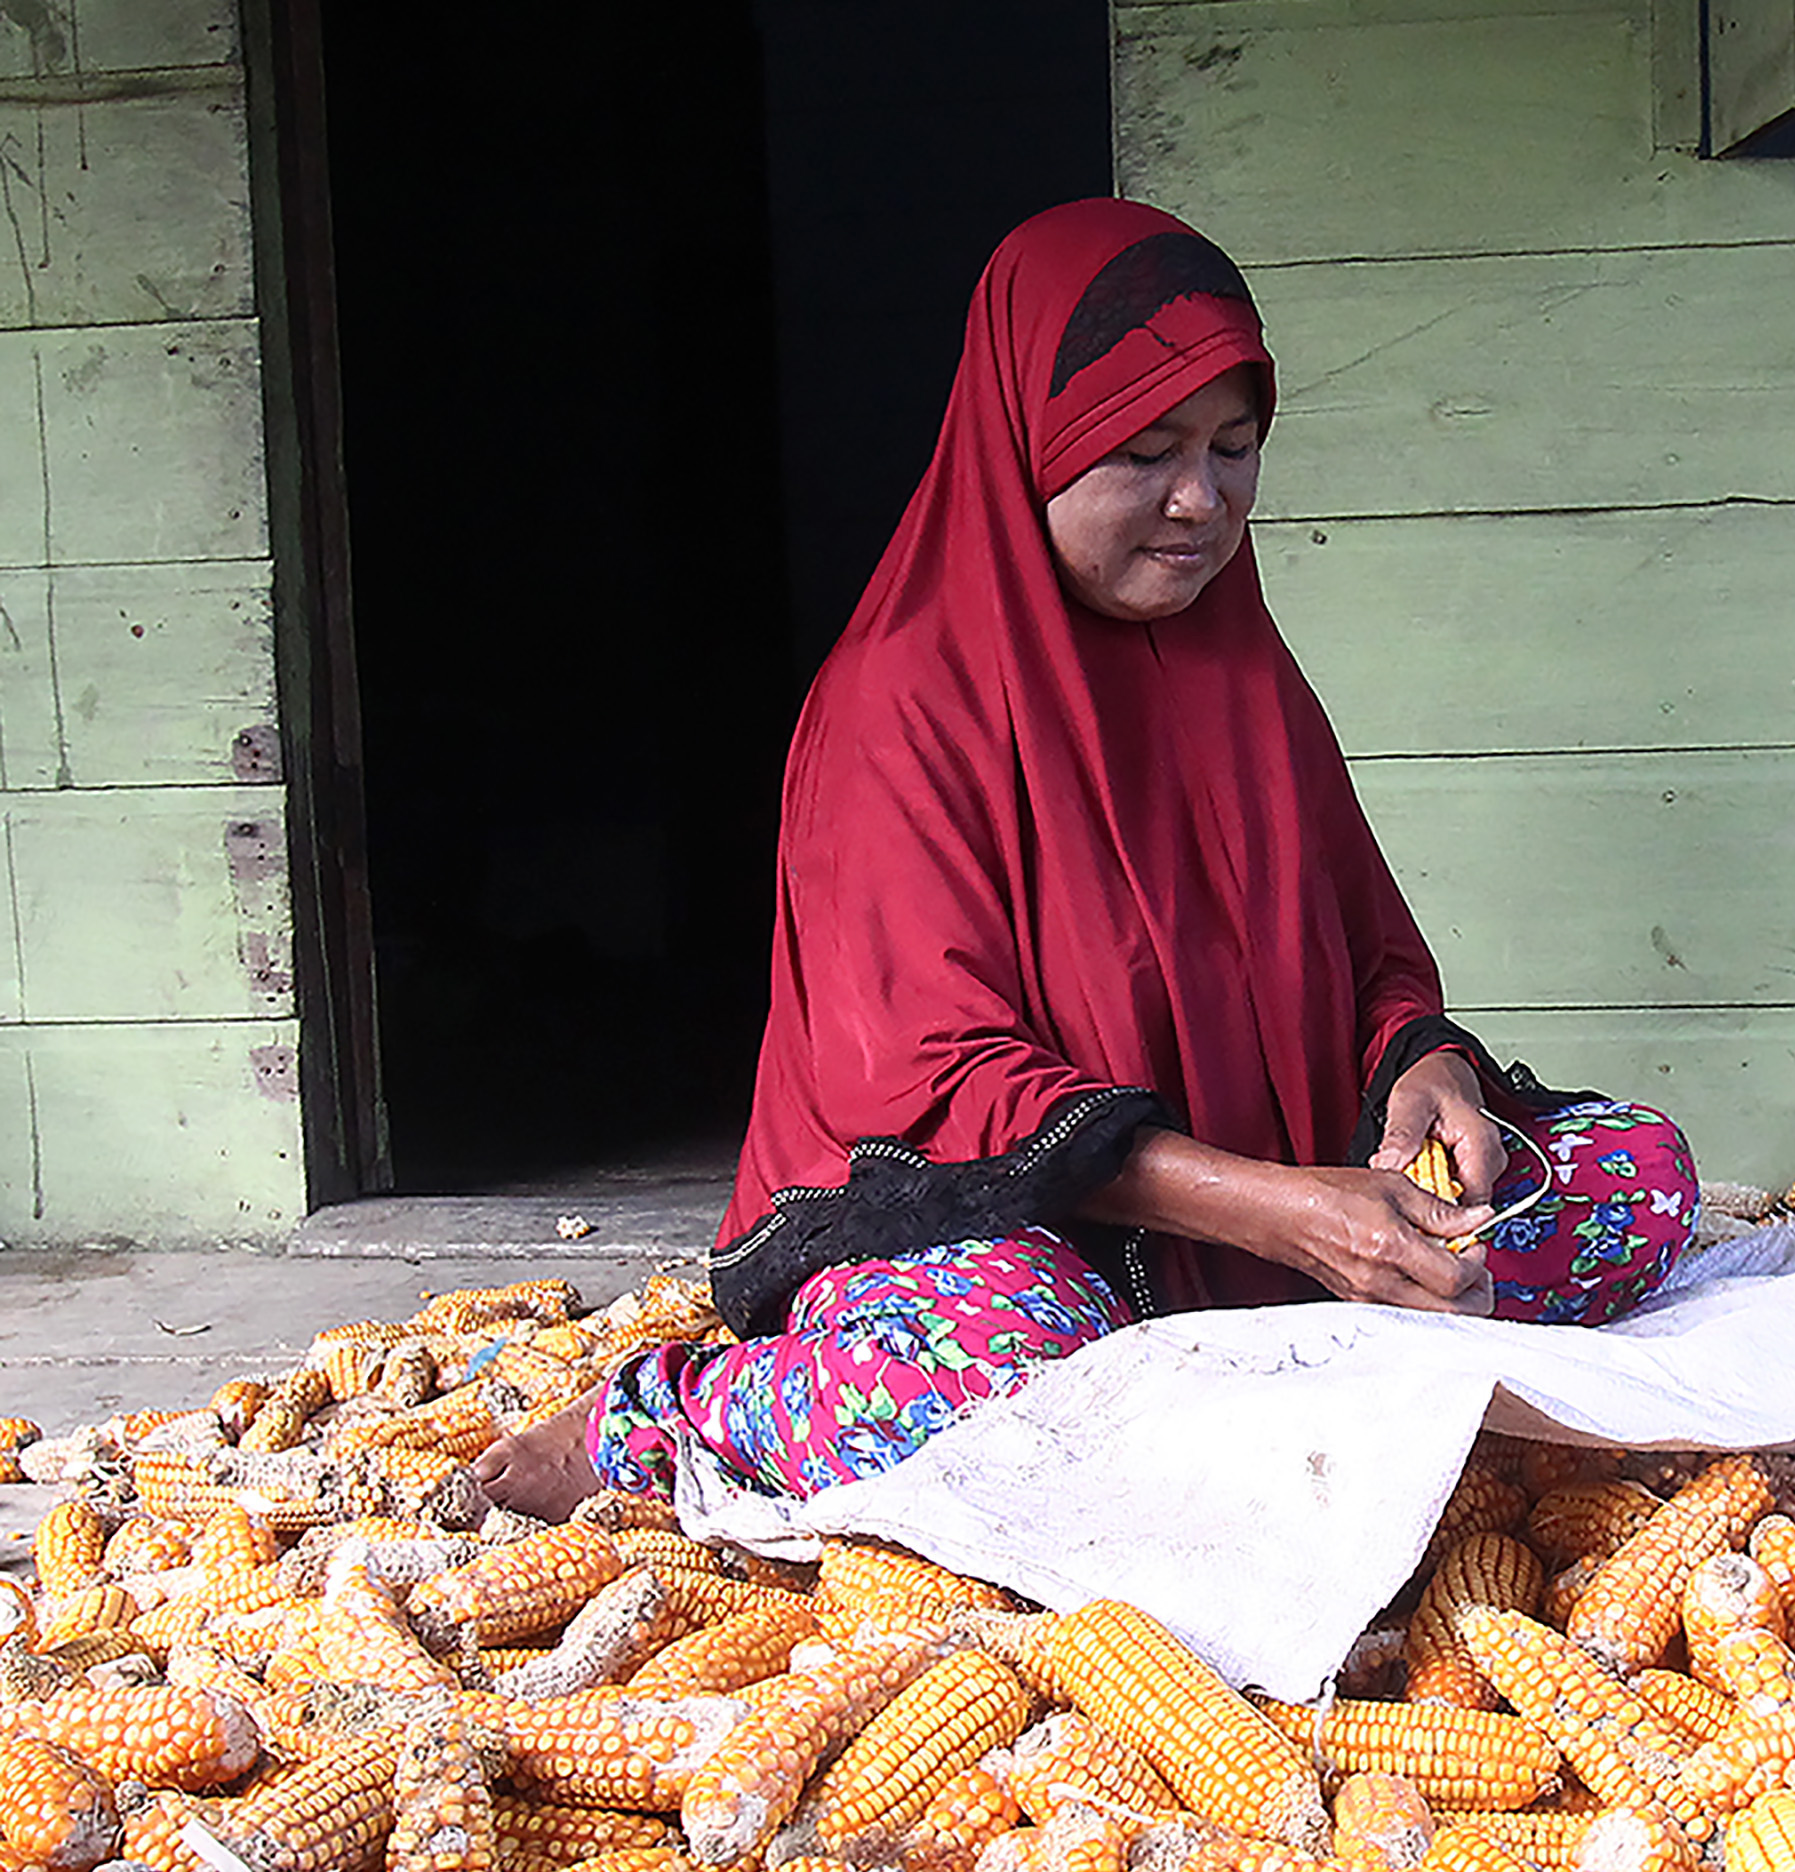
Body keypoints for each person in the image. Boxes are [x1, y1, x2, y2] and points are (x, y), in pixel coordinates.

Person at [477, 198, 1698, 1522]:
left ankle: (1263, 1354)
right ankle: (672, 1415)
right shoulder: (901, 706)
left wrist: (1425, 1074)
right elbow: (935, 1085)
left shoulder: (1246, 676)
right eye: (1146, 452)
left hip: (1285, 1213)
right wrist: (1289, 1216)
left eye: (1234, 447)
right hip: (1025, 1236)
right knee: (1007, 1363)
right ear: (1029, 445)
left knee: (1635, 1176)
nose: (1201, 499)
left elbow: (1365, 959)